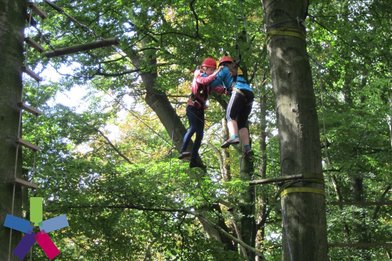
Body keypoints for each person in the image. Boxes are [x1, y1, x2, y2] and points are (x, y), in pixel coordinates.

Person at [178, 57, 225, 168]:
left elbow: (216, 88)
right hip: (192, 107)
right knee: (193, 127)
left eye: (214, 70)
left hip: (200, 110)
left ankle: (193, 161)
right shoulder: (199, 74)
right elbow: (205, 81)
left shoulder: (209, 79)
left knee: (200, 135)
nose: (213, 72)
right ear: (205, 68)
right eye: (212, 70)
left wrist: (227, 90)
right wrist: (218, 72)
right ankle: (182, 150)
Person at [221, 67, 254, 156]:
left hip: (238, 91)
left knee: (230, 116)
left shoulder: (224, 69)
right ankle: (247, 148)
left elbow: (214, 81)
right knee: (242, 123)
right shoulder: (239, 72)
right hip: (250, 94)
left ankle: (234, 136)